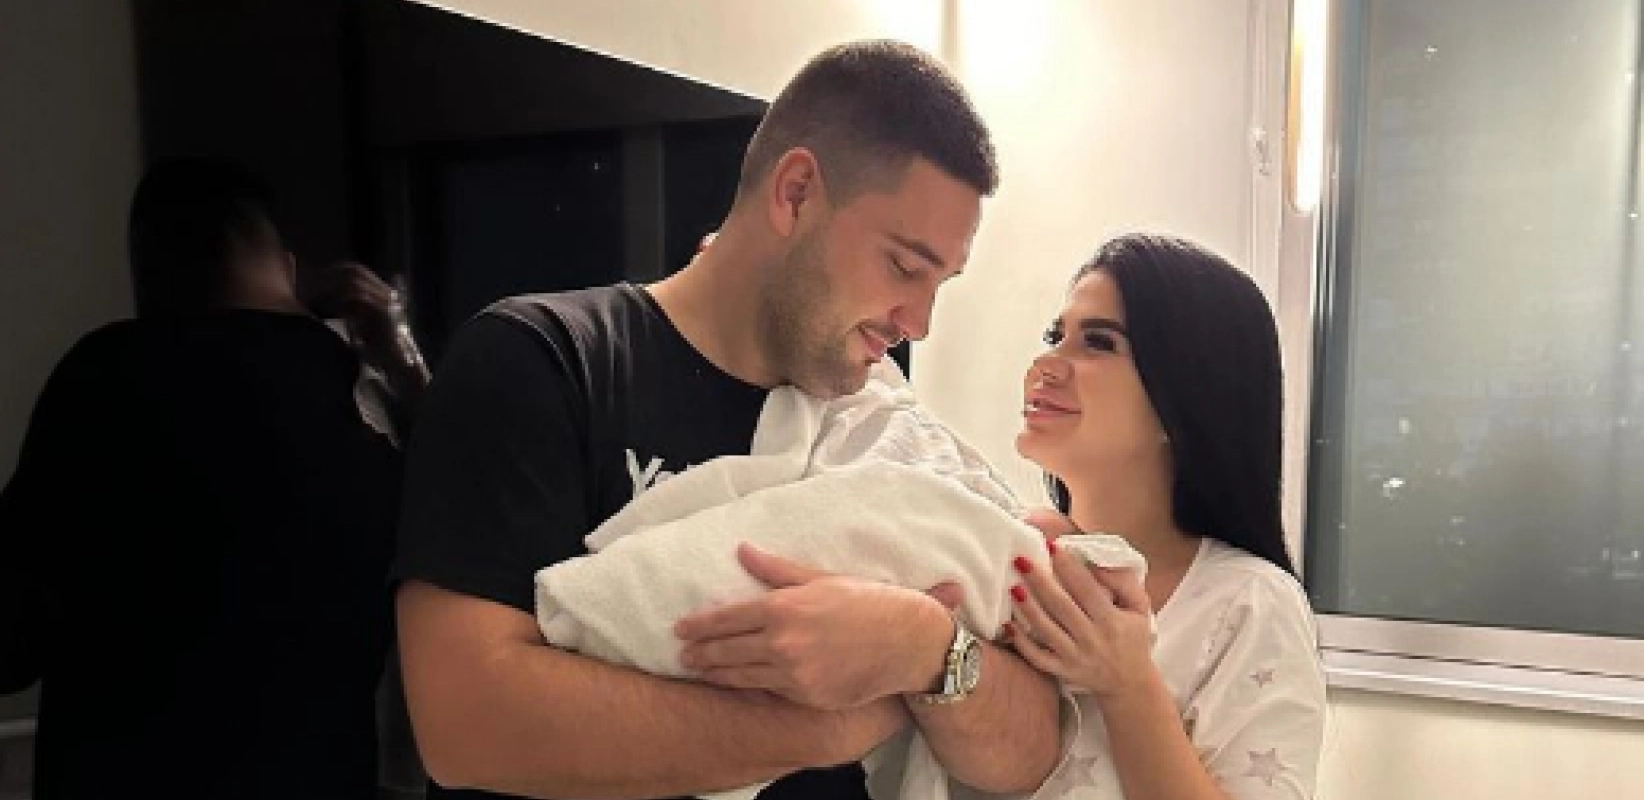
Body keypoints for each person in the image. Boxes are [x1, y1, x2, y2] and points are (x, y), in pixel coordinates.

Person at [393, 40, 1062, 800]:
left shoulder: (876, 425)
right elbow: (469, 723)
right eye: (905, 266)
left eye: (942, 282)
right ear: (796, 193)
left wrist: (924, 647)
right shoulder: (544, 362)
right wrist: (835, 728)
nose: (920, 322)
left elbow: (1036, 751)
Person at [0, 157, 417, 799]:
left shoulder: (108, 377)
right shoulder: (366, 397)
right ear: (286, 265)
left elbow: (11, 636)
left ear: (151, 270)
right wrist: (399, 353)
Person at [1005, 234, 1327, 799]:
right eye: (1056, 336)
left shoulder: (1249, 604)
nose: (1045, 365)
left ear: (1185, 392)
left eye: (1098, 342)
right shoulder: (1010, 553)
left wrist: (1128, 683)